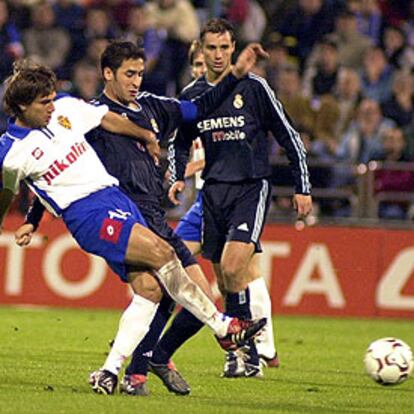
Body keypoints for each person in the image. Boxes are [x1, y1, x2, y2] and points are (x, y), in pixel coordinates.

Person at [11, 40, 268, 395]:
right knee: (168, 262)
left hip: (128, 205)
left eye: (140, 73)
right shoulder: (15, 149)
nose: (136, 81)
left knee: (153, 289)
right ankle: (220, 332)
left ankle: (112, 370)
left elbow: (196, 109)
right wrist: (32, 219)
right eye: (129, 73)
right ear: (108, 74)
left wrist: (234, 77)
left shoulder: (111, 108)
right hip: (97, 214)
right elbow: (41, 180)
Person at [168, 18, 312, 377]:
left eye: (224, 48)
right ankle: (242, 353)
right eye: (211, 49)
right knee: (226, 277)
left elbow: (288, 135)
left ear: (233, 49)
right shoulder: (191, 96)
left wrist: (302, 185)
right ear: (201, 50)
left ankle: (250, 351)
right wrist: (175, 176)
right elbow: (181, 141)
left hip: (251, 186)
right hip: (213, 190)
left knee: (234, 268)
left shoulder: (255, 88)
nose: (217, 55)